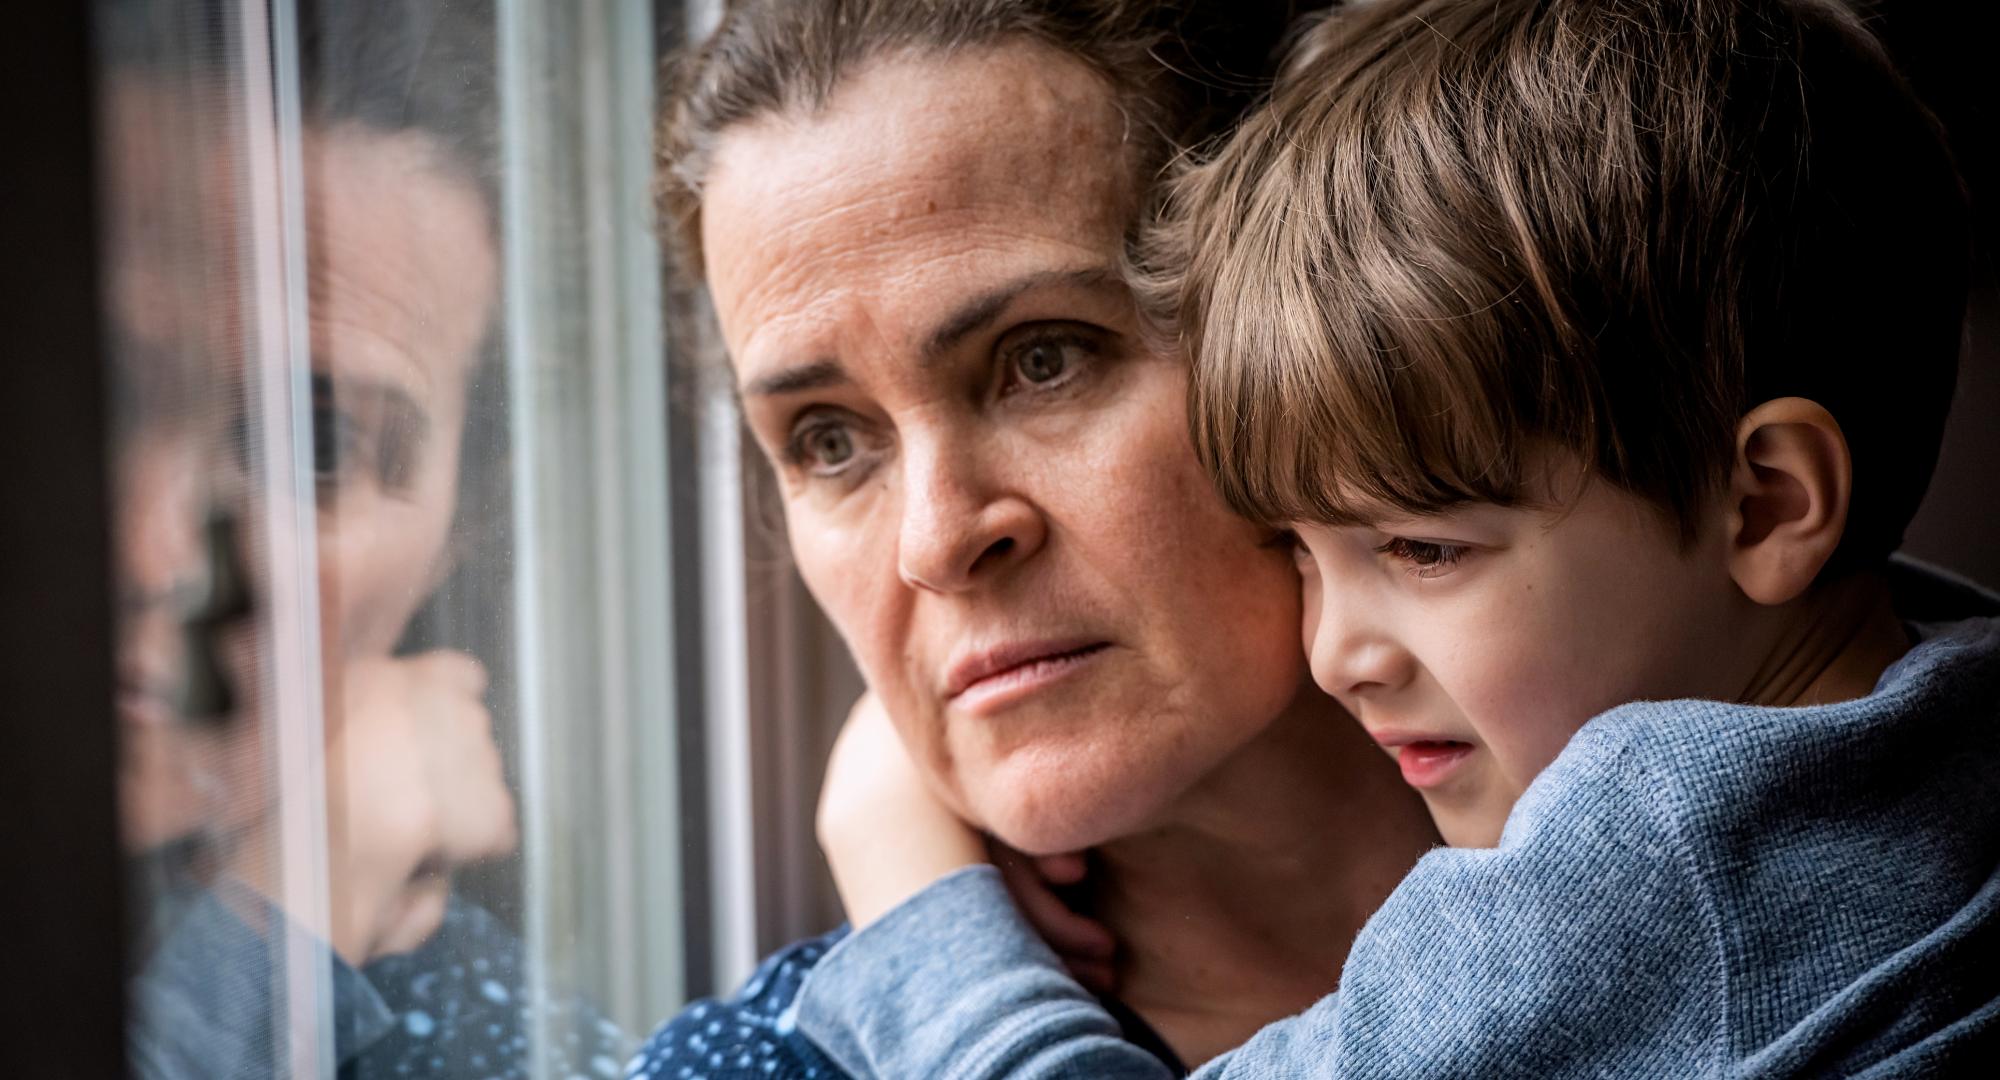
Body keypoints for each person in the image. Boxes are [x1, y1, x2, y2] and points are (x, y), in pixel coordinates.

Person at [788, 0, 2000, 1075]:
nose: (1339, 654)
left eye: (1421, 551)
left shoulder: (1657, 859)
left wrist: (907, 884)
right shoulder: (1948, 706)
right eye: (1301, 552)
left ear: (1769, 505)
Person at [632, 1, 1440, 1076]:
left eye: (1043, 360)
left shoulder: (1712, 885)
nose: (934, 542)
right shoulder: (759, 1064)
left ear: (1308, 326)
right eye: (829, 441)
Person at [106, 0, 626, 1074]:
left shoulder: (499, 1045)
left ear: (458, 529)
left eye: (318, 445)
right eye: (100, 384)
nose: (151, 553)